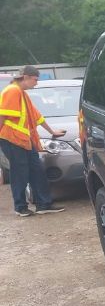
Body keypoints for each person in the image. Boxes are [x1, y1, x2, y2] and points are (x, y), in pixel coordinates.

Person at [0, 65, 66, 216]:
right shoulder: (12, 91)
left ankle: (43, 204)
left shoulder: (22, 93)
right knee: (20, 173)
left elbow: (36, 116)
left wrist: (52, 131)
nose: (36, 83)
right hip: (11, 139)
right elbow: (2, 115)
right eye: (35, 80)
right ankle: (20, 207)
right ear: (26, 78)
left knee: (36, 170)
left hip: (23, 140)